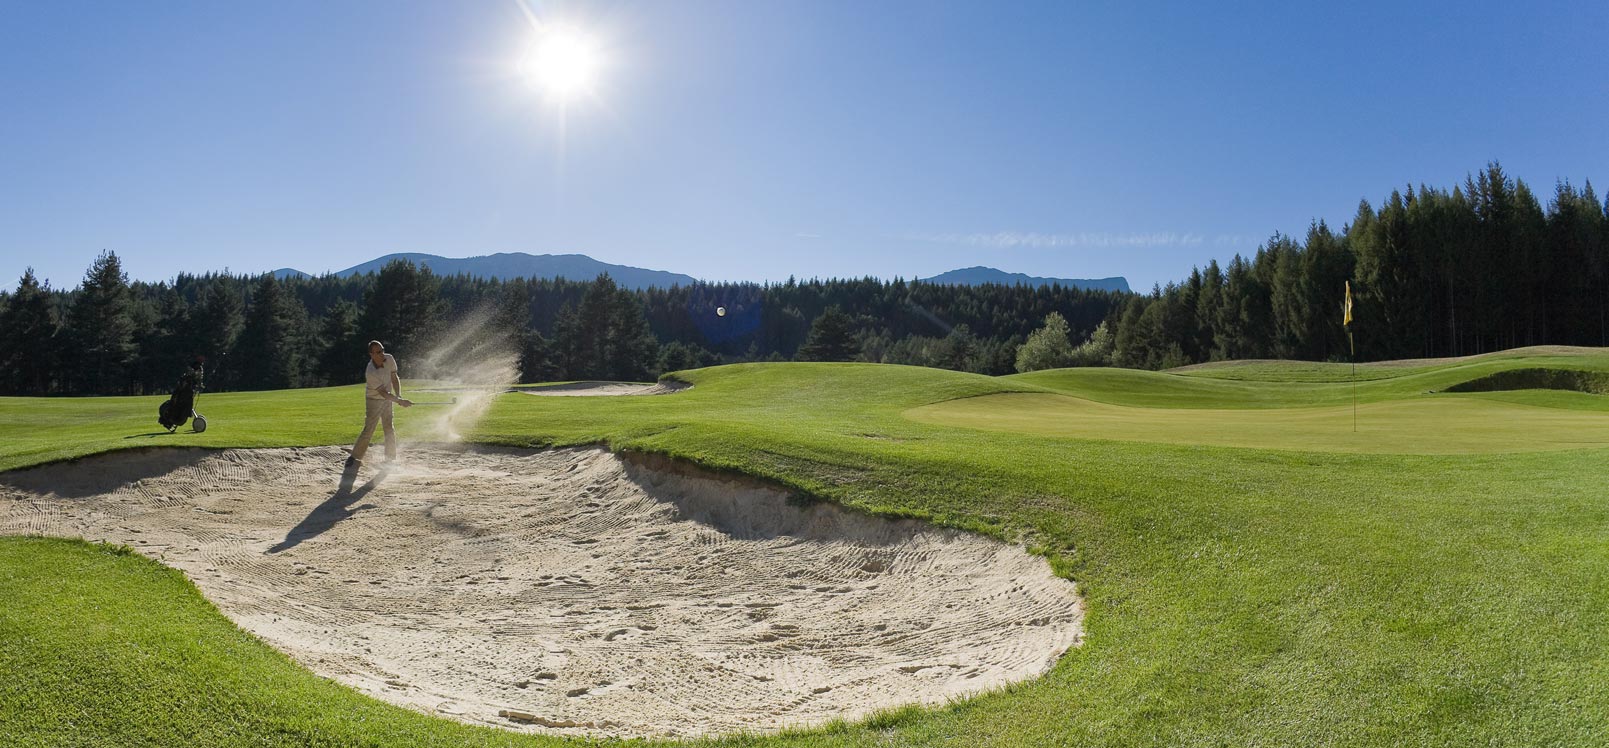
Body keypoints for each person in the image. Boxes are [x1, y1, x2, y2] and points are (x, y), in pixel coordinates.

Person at [349, 340, 412, 465]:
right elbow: (382, 393)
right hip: (373, 400)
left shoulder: (389, 358)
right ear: (371, 354)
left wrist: (399, 396)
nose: (382, 354)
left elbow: (394, 378)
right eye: (378, 352)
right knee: (369, 429)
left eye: (382, 350)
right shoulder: (370, 372)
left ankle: (390, 458)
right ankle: (355, 457)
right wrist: (399, 401)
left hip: (387, 399)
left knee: (389, 427)